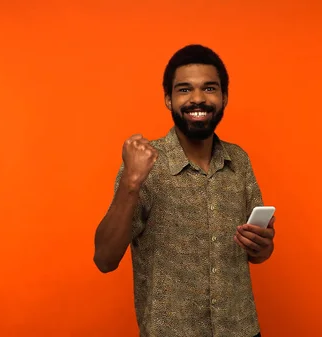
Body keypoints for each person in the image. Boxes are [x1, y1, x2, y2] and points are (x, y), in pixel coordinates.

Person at [93, 44, 276, 337]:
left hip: (241, 329)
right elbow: (104, 259)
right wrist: (131, 182)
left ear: (224, 97)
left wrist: (263, 245)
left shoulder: (239, 161)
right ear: (168, 99)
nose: (198, 99)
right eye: (184, 90)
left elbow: (259, 254)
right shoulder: (144, 164)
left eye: (209, 88)